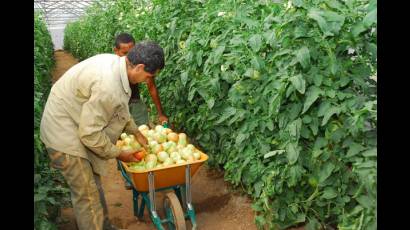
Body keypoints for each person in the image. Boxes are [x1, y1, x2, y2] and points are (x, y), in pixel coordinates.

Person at [40, 41, 165, 230]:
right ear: (139, 67)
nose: (148, 81)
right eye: (148, 76)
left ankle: (102, 225)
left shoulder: (117, 64)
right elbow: (90, 135)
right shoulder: (108, 86)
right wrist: (119, 153)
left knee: (93, 185)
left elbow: (120, 107)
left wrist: (136, 132)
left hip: (74, 120)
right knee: (86, 194)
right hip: (63, 132)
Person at [113, 33, 168, 127]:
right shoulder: (111, 70)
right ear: (116, 51)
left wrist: (161, 114)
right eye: (125, 53)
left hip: (134, 100)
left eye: (131, 52)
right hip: (115, 103)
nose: (129, 57)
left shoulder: (142, 64)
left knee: (143, 127)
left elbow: (151, 86)